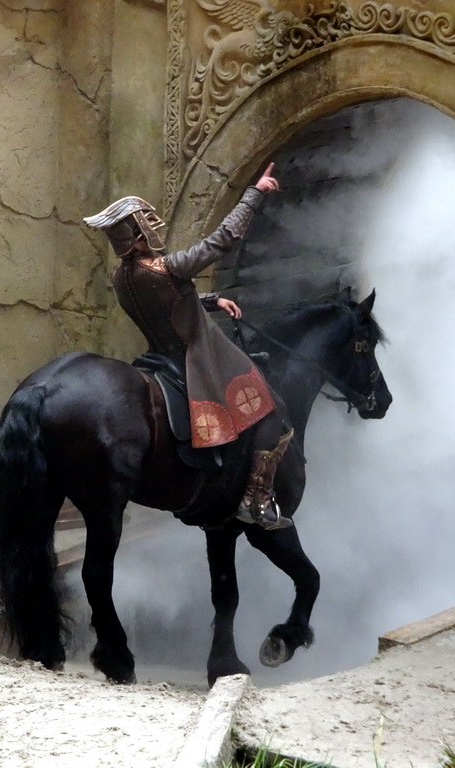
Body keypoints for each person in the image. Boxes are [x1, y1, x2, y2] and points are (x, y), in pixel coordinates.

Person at [82, 164, 295, 530]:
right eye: (147, 221)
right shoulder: (167, 267)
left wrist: (212, 301)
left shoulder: (122, 278)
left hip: (157, 357)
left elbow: (166, 303)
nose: (155, 224)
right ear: (138, 233)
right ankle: (254, 501)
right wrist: (254, 193)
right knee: (271, 408)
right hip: (199, 355)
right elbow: (221, 239)